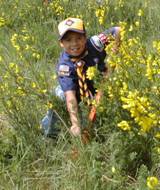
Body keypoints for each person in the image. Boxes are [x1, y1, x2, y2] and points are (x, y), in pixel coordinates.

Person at [55, 17, 121, 137]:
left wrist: (113, 58)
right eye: (68, 40)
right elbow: (70, 97)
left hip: (100, 83)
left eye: (79, 38)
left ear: (85, 37)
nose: (74, 43)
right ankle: (51, 133)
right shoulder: (64, 66)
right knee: (59, 96)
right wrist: (75, 124)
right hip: (77, 92)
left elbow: (117, 30)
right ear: (61, 43)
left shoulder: (95, 44)